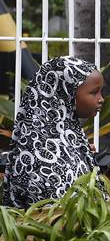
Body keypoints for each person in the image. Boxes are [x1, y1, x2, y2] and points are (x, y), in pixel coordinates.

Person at [2, 56, 104, 209]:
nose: (101, 99)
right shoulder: (38, 154)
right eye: (94, 92)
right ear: (65, 93)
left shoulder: (68, 137)